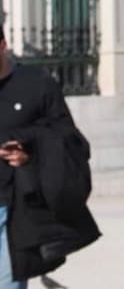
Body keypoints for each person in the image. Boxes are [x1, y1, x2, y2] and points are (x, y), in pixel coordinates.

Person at [0, 26, 100, 287]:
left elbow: (69, 139)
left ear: (3, 45)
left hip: (14, 212)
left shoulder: (37, 83)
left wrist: (29, 151)